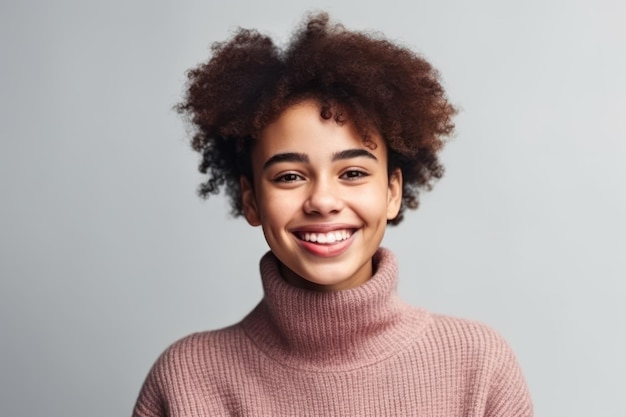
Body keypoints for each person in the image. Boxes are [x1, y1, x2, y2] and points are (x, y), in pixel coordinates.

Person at [132, 12, 533, 417]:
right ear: (251, 199)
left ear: (392, 191)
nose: (323, 200)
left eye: (353, 173)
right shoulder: (187, 380)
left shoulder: (479, 366)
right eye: (289, 176)